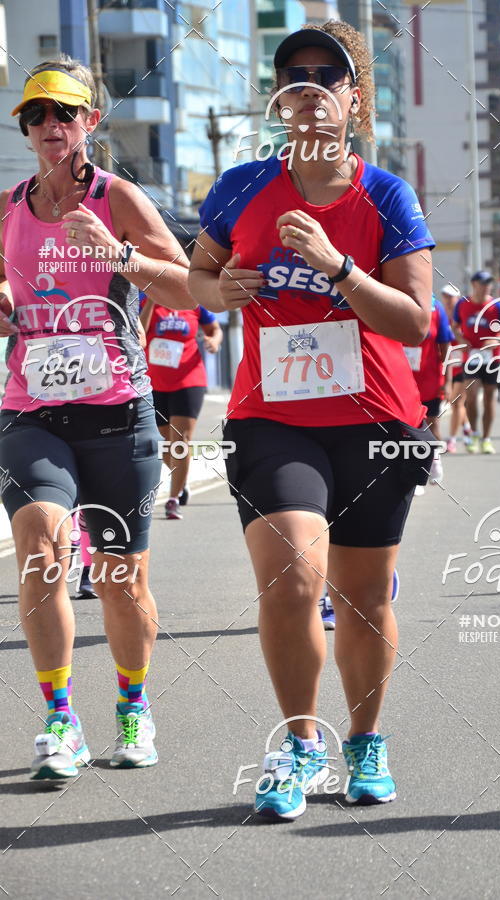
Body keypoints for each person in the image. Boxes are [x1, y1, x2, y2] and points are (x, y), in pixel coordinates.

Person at [189, 22, 435, 819]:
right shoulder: (241, 187)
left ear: (353, 101)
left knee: (362, 596)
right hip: (273, 419)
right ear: (278, 99)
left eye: (327, 75)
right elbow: (199, 275)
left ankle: (365, 741)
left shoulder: (386, 195)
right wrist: (218, 291)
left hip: (374, 421)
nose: (309, 87)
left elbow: (415, 322)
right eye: (293, 74)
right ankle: (299, 745)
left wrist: (338, 267)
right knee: (293, 575)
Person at [0, 57, 193, 778]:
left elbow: (188, 289)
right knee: (42, 549)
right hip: (31, 410)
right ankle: (61, 720)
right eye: (36, 114)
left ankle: (133, 707)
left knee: (121, 578)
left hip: (117, 412)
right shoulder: (8, 206)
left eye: (64, 112)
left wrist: (118, 254)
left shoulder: (120, 198)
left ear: (90, 121)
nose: (50, 124)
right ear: (25, 127)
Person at [140, 295, 223, 519]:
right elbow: (140, 335)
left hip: (189, 379)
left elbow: (215, 329)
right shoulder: (145, 300)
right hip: (154, 382)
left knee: (180, 439)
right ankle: (181, 480)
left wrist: (214, 341)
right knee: (163, 443)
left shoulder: (194, 302)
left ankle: (173, 499)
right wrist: (151, 300)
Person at [453, 271, 500, 455]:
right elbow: (454, 326)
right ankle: (474, 433)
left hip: (492, 357)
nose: (487, 286)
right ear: (474, 284)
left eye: (489, 283)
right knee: (470, 397)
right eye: (483, 283)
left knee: (488, 397)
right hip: (471, 357)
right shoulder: (463, 304)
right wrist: (460, 339)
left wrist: (497, 340)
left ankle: (486, 439)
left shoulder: (498, 307)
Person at [404, 294, 452, 484]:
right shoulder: (396, 299)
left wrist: (448, 381)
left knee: (431, 424)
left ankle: (435, 461)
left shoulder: (436, 308)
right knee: (407, 428)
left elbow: (446, 347)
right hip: (403, 378)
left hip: (429, 378)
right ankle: (415, 475)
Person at [440, 283, 471, 453]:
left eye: (450, 297)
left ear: (457, 298)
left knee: (456, 402)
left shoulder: (464, 316)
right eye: (445, 296)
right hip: (447, 367)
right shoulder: (441, 315)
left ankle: (451, 440)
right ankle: (467, 427)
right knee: (455, 403)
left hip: (464, 365)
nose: (447, 300)